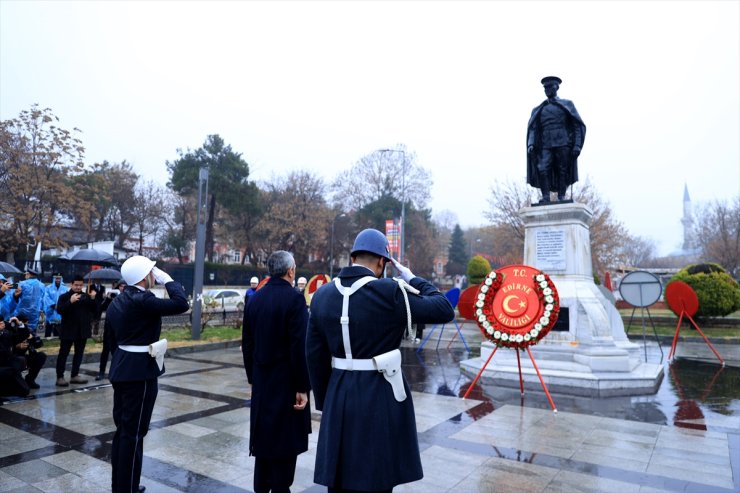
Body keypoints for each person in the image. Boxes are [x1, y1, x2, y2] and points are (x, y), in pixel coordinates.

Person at [306, 229, 455, 492]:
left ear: (353, 257)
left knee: (339, 480)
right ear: (381, 262)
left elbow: (314, 355)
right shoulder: (389, 292)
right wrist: (413, 278)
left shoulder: (322, 295)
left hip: (338, 392)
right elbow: (443, 308)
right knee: (376, 477)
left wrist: (326, 400)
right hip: (378, 394)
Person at [106, 256, 188, 493]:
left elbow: (112, 341)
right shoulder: (144, 300)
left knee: (123, 431)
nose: (155, 276)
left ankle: (122, 485)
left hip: (123, 368)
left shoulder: (118, 300)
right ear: (145, 277)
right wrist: (168, 279)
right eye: (152, 272)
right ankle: (127, 489)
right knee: (134, 433)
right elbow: (181, 303)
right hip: (139, 373)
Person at [242, 251, 311, 493]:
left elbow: (247, 344)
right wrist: (303, 387)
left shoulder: (255, 299)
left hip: (262, 382)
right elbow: (299, 347)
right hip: (286, 384)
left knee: (263, 443)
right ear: (291, 270)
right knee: (284, 444)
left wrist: (252, 379)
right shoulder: (294, 300)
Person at [526, 76, 586, 203]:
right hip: (545, 143)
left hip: (563, 142)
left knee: (562, 169)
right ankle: (546, 197)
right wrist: (531, 143)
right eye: (545, 88)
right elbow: (533, 128)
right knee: (542, 168)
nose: (547, 90)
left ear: (556, 87)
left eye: (550, 87)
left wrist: (577, 145)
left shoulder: (567, 104)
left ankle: (561, 196)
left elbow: (577, 126)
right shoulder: (539, 109)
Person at [55, 275, 98, 386]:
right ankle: (60, 376)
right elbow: (60, 310)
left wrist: (93, 299)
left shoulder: (86, 296)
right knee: (63, 354)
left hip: (82, 330)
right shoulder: (64, 297)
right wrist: (70, 301)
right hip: (68, 330)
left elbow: (94, 310)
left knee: (79, 353)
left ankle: (75, 375)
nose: (78, 287)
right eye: (76, 285)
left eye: (80, 285)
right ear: (71, 284)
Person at [0, 315, 47, 395]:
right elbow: (6, 349)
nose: (2, 324)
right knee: (23, 389)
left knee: (40, 356)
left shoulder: (11, 331)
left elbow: (38, 343)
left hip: (17, 360)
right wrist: (17, 346)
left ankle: (30, 380)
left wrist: (31, 339)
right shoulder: (7, 331)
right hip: (7, 363)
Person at [96, 279, 127, 381]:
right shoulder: (112, 296)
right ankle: (101, 372)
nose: (122, 288)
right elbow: (102, 308)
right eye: (121, 286)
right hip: (109, 329)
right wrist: (108, 298)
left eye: (124, 286)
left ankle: (117, 371)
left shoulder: (128, 297)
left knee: (117, 352)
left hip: (121, 329)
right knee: (105, 351)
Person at [14, 268, 45, 332]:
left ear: (29, 274)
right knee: (32, 331)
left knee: (21, 329)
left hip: (22, 311)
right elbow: (43, 300)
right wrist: (42, 310)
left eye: (26, 274)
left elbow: (15, 296)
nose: (25, 276)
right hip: (35, 311)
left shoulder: (22, 284)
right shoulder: (42, 285)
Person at [43, 273, 68, 338]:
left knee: (58, 329)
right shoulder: (48, 288)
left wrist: (60, 306)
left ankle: (57, 339)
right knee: (49, 327)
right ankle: (47, 339)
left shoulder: (65, 288)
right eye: (56, 278)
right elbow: (46, 297)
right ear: (54, 279)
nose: (58, 280)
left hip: (60, 312)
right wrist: (53, 305)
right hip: (50, 311)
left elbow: (66, 298)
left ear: (61, 279)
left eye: (59, 278)